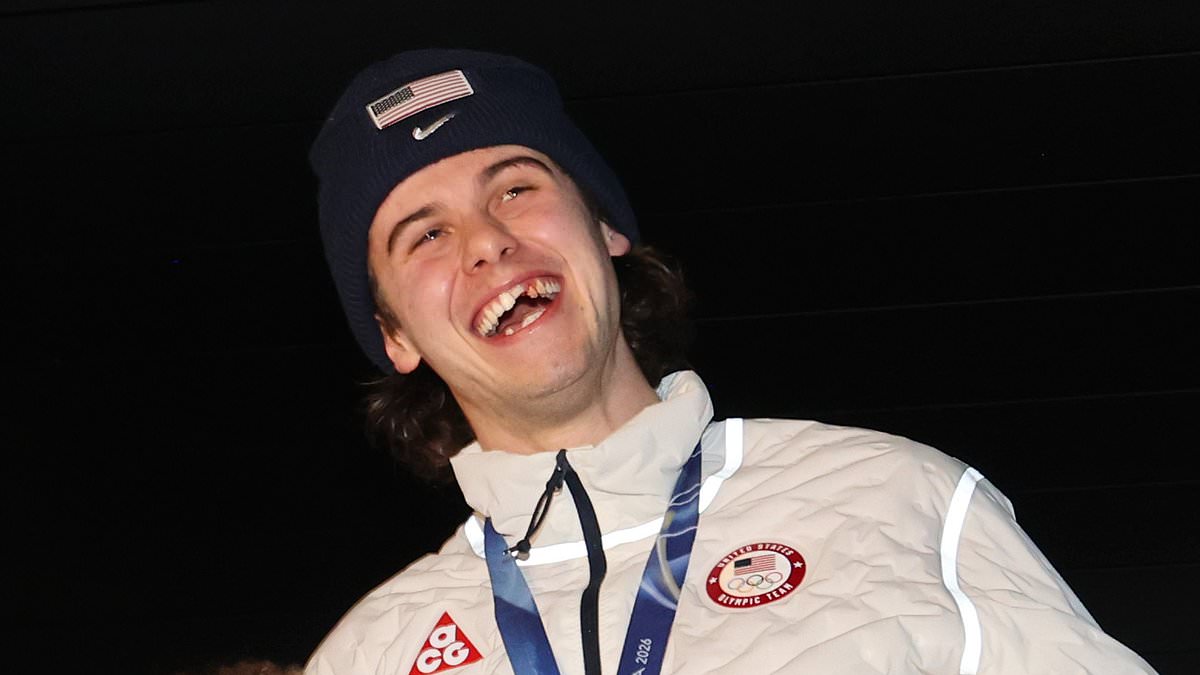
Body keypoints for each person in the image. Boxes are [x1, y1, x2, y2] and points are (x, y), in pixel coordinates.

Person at [305, 49, 1157, 675]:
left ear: (603, 227)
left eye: (516, 187)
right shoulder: (370, 652)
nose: (487, 240)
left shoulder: (895, 501)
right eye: (426, 234)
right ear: (394, 334)